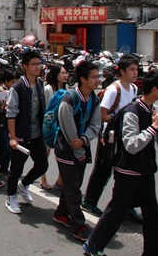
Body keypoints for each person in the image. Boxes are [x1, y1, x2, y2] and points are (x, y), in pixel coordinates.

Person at [83, 70, 158, 256]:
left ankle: (154, 252)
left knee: (152, 214)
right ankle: (92, 246)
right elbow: (131, 145)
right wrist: (154, 128)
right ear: (155, 89)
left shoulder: (149, 109)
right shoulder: (133, 111)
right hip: (129, 171)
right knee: (117, 211)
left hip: (144, 170)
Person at [82, 55, 143, 223]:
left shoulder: (134, 89)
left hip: (126, 136)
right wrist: (122, 121)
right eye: (132, 69)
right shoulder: (113, 90)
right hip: (110, 138)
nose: (135, 72)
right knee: (103, 171)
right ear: (122, 71)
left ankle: (128, 205)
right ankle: (88, 202)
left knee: (128, 173)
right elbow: (101, 114)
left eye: (136, 69)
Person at [53, 61, 102, 242]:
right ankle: (79, 226)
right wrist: (78, 144)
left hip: (82, 147)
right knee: (74, 189)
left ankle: (60, 213)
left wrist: (84, 140)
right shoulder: (70, 99)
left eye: (98, 76)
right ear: (83, 79)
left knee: (73, 185)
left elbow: (96, 124)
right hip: (66, 150)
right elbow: (67, 128)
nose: (98, 80)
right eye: (94, 77)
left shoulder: (95, 99)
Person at [5, 50, 48, 214]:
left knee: (42, 165)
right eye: (34, 64)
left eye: (39, 63)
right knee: (16, 169)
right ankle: (10, 197)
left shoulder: (40, 84)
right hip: (21, 136)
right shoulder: (18, 87)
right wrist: (13, 138)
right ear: (25, 66)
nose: (38, 67)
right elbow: (11, 113)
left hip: (37, 135)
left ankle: (23, 186)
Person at [40, 64, 68, 190]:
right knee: (45, 154)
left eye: (66, 73)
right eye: (62, 73)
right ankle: (43, 178)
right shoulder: (47, 90)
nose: (65, 75)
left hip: (61, 126)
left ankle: (61, 180)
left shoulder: (65, 91)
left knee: (61, 153)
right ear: (55, 74)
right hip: (48, 126)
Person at [0, 69, 18, 176]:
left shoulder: (14, 90)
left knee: (9, 147)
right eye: (12, 82)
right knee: (4, 145)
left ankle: (4, 168)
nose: (14, 84)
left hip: (9, 123)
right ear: (6, 81)